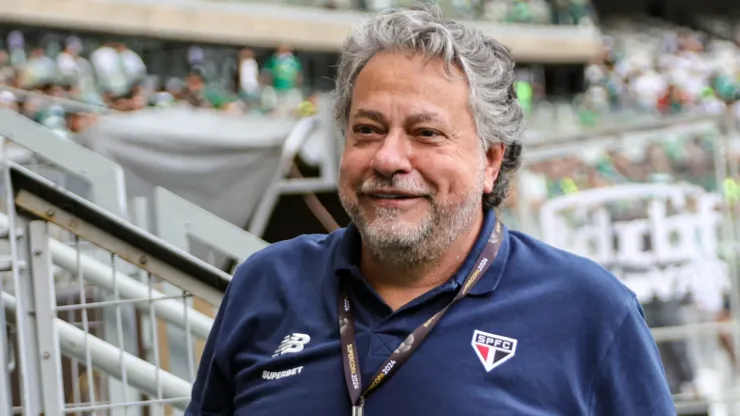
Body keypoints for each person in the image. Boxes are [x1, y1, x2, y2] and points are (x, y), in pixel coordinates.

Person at [187, 6, 673, 415]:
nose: (388, 159)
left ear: (489, 160)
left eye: (426, 133)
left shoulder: (590, 310)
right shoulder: (265, 283)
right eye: (368, 130)